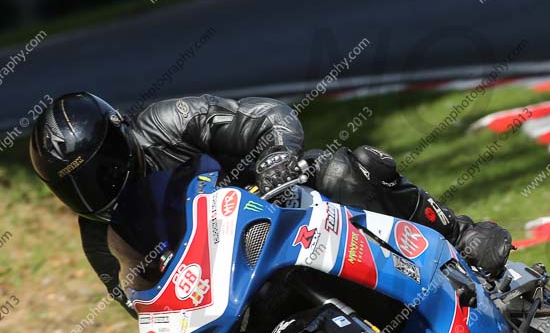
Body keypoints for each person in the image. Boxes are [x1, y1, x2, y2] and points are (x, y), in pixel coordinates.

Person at [28, 93, 512, 316]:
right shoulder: (100, 237)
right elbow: (145, 309)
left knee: (344, 168)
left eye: (100, 170)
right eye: (76, 188)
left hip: (280, 209)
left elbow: (263, 116)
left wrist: (277, 157)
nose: (95, 191)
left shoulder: (166, 122)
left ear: (118, 137)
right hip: (235, 293)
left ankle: (458, 234)